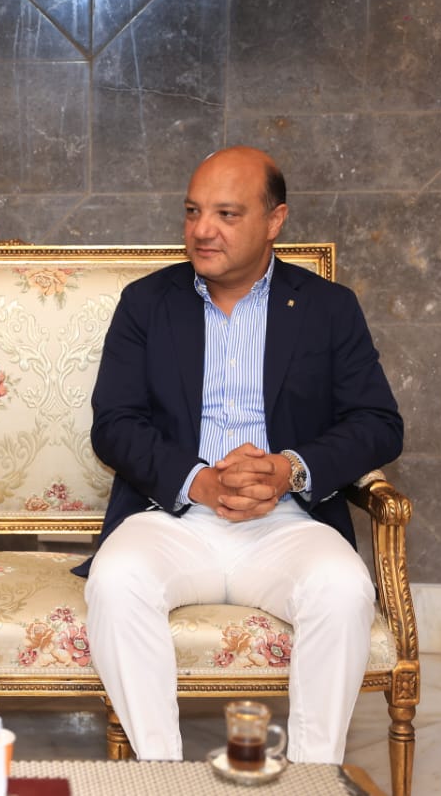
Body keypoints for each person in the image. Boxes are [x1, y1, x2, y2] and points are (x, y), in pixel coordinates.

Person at [78, 146, 403, 764]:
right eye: (193, 212)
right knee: (116, 581)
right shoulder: (146, 303)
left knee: (342, 589)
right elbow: (114, 425)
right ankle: (161, 775)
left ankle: (311, 776)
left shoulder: (328, 307)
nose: (203, 230)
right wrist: (197, 481)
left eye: (226, 214)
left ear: (275, 220)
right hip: (172, 517)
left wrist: (288, 469)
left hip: (288, 521)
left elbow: (379, 424)